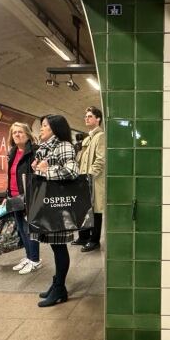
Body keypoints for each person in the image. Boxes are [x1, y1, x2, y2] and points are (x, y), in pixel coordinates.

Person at [31, 114, 79, 307]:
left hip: (58, 206)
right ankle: (57, 284)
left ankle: (59, 289)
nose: (41, 129)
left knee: (59, 247)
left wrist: (45, 171)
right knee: (54, 246)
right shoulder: (45, 148)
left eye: (43, 126)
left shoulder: (64, 145)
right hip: (48, 204)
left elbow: (72, 171)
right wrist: (37, 167)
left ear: (54, 129)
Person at [4, 122, 42, 275]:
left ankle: (35, 260)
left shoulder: (34, 151)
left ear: (27, 134)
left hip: (28, 196)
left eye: (20, 132)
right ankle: (28, 256)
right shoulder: (12, 152)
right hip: (14, 196)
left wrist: (32, 197)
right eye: (14, 133)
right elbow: (10, 176)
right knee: (21, 228)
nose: (17, 135)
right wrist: (6, 195)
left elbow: (37, 175)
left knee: (29, 229)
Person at [72, 106, 105, 252]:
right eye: (86, 116)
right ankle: (84, 237)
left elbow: (101, 159)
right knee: (85, 209)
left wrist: (90, 175)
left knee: (96, 211)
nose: (86, 118)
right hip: (84, 180)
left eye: (90, 116)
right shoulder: (88, 138)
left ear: (98, 119)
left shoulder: (101, 136)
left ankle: (94, 240)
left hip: (94, 181)